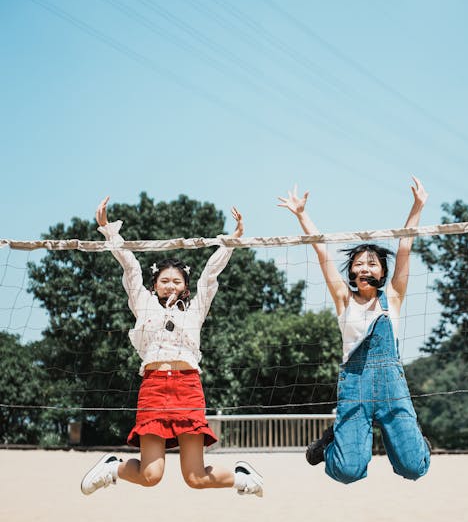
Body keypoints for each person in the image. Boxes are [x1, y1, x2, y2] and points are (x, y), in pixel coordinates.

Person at [81, 196, 263, 498]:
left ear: (185, 287)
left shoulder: (195, 310)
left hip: (187, 388)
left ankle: (240, 477)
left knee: (195, 478)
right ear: (155, 286)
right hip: (153, 388)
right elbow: (130, 268)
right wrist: (108, 231)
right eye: (164, 281)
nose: (170, 285)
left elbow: (210, 275)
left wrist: (231, 240)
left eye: (176, 281)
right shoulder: (143, 304)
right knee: (151, 476)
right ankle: (113, 468)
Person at [278, 177, 431, 484]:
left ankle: (416, 442)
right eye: (359, 264)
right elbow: (322, 253)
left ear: (382, 273)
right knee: (348, 472)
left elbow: (405, 247)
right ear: (351, 272)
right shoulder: (343, 299)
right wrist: (302, 215)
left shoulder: (394, 298)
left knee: (414, 468)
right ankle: (330, 442)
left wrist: (417, 206)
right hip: (355, 388)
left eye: (372, 264)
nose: (365, 268)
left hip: (393, 390)